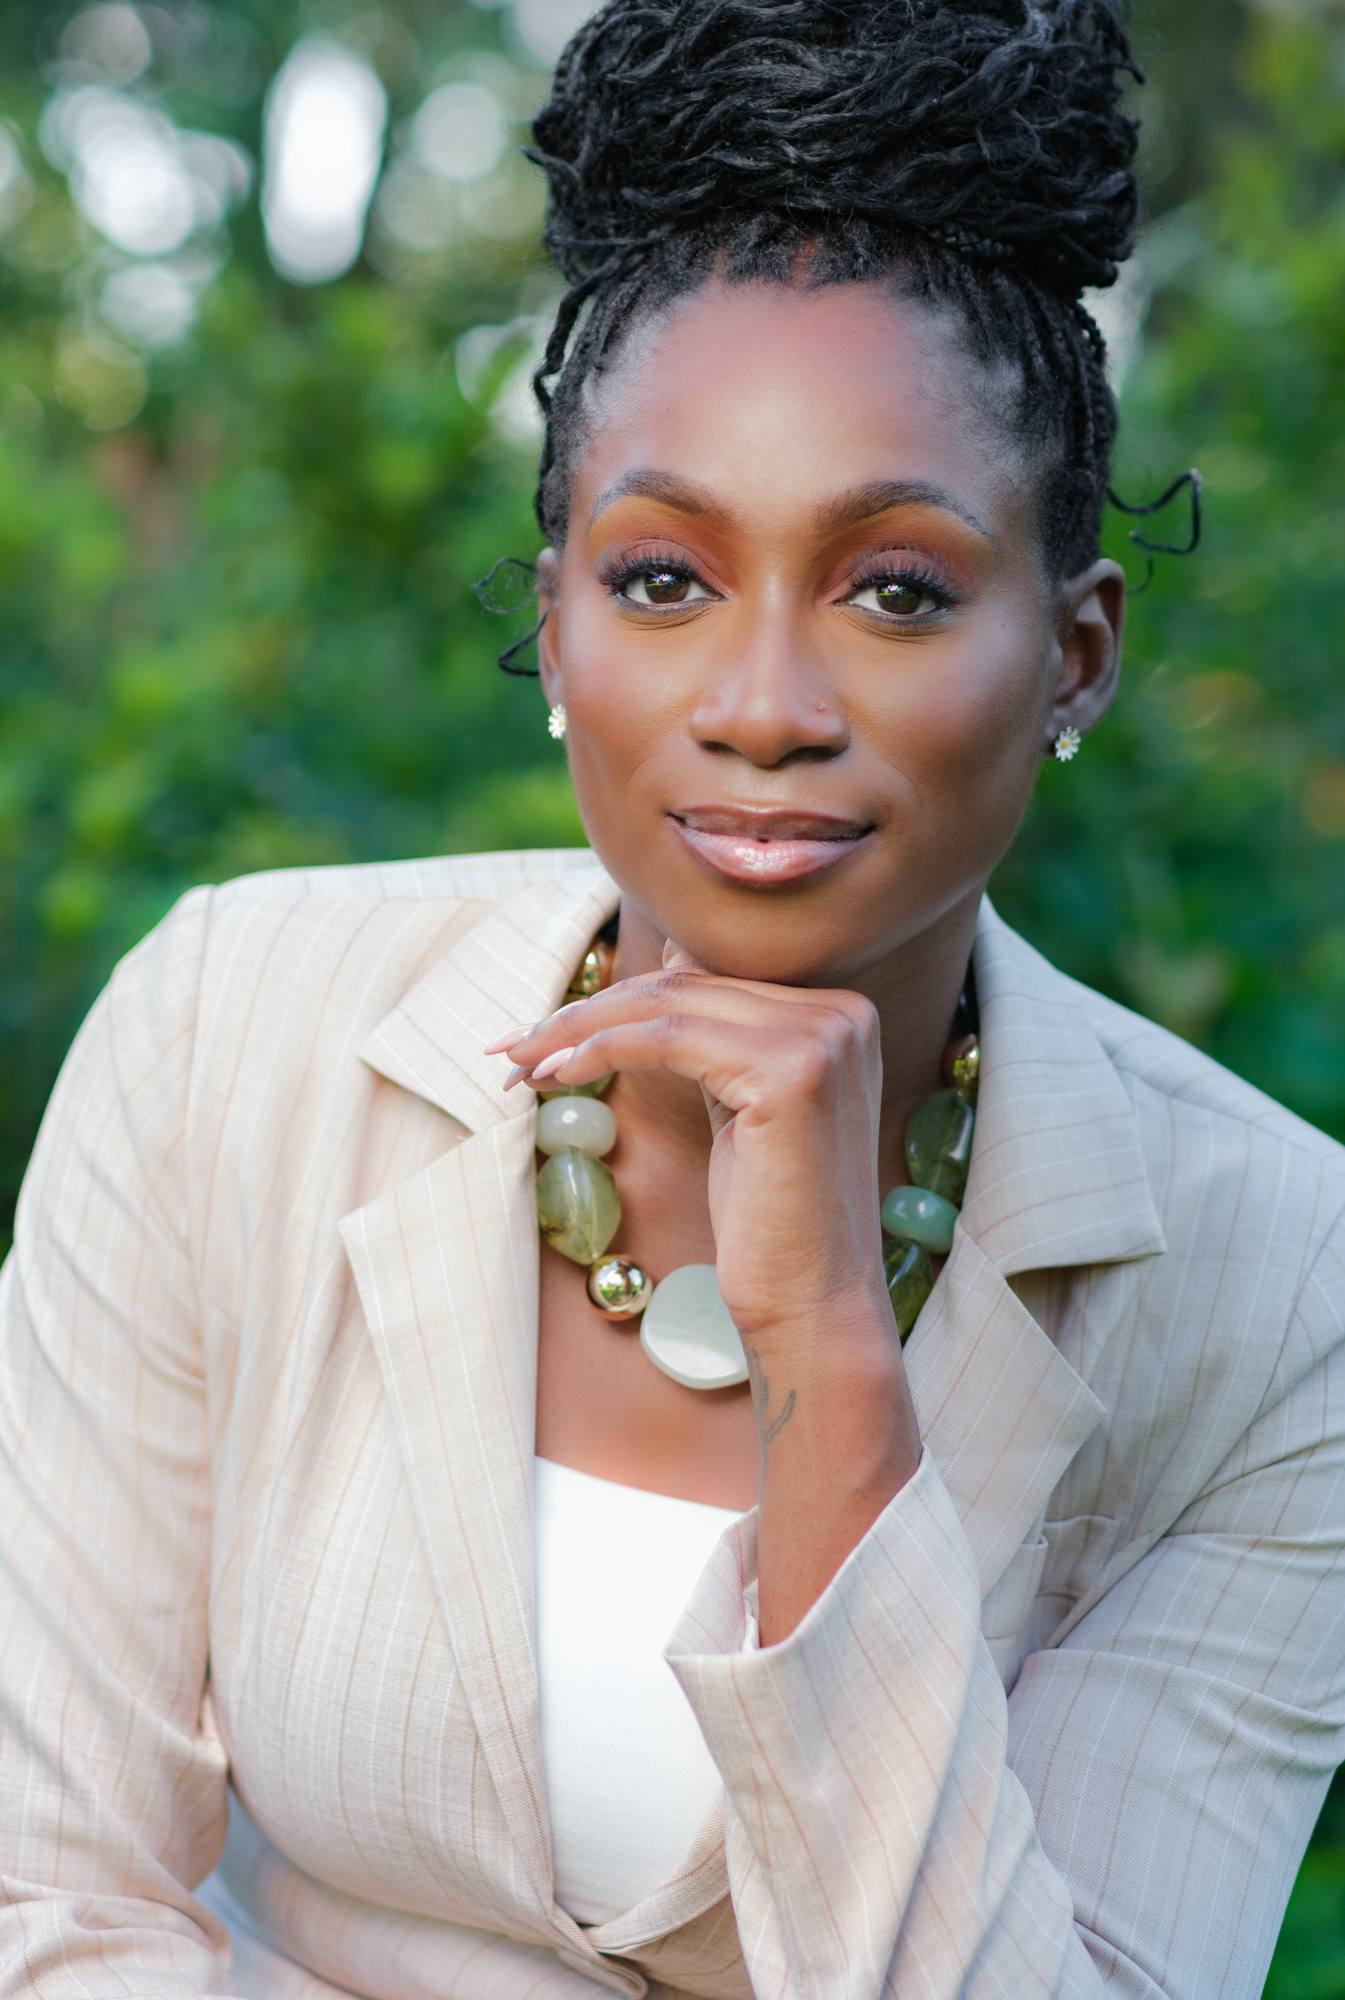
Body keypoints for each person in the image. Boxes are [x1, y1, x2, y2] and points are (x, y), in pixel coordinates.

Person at [2, 2, 1343, 1996]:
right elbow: (48, 1899)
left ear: (1073, 655)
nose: (764, 708)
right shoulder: (235, 1028)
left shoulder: (1280, 1285)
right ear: (550, 621)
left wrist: (827, 1362)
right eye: (659, 579)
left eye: (894, 588)